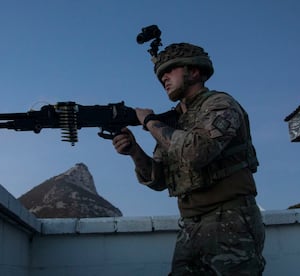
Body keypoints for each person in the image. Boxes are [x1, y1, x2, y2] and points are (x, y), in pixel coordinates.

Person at [112, 42, 265, 275]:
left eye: (169, 71)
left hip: (231, 220)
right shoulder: (176, 121)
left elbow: (197, 153)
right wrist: (134, 151)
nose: (163, 78)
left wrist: (149, 122)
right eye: (160, 74)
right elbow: (159, 179)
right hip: (191, 225)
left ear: (194, 71)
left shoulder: (220, 104)